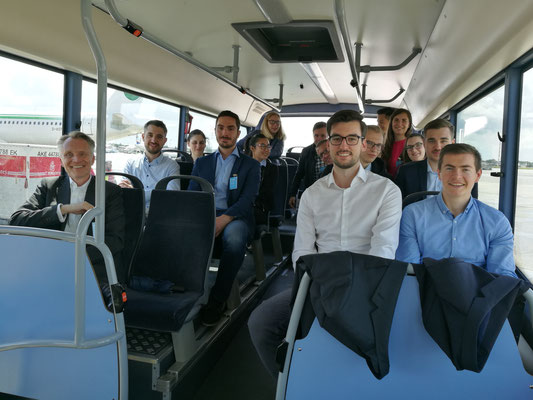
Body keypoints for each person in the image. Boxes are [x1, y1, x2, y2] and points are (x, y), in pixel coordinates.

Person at [248, 109, 402, 378]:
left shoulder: (387, 191)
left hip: (367, 285)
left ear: (362, 144)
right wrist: (317, 287)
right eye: (337, 139)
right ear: (328, 144)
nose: (344, 145)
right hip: (319, 281)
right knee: (261, 323)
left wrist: (350, 291)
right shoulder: (312, 194)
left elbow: (383, 251)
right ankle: (294, 386)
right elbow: (302, 252)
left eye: (352, 138)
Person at [9, 131, 126, 284]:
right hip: (48, 265)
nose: (76, 159)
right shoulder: (49, 186)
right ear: (61, 161)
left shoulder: (109, 192)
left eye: (82, 154)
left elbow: (115, 240)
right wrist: (63, 209)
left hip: (92, 267)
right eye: (69, 154)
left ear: (92, 159)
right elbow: (17, 220)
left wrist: (72, 258)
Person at [396, 143, 516, 277]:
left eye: (465, 169)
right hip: (425, 287)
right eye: (449, 168)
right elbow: (409, 271)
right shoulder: (412, 215)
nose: (457, 176)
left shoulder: (497, 222)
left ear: (477, 175)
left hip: (479, 289)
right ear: (439, 173)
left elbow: (502, 277)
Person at [189, 110, 260, 325]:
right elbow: (192, 195)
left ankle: (217, 299)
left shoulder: (250, 165)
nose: (225, 133)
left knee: (235, 239)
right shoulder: (202, 163)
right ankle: (186, 292)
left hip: (237, 216)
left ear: (238, 133)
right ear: (215, 131)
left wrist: (224, 219)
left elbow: (247, 200)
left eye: (230, 128)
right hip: (206, 214)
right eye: (220, 128)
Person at [395, 118, 475, 201]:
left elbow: (472, 206)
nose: (437, 147)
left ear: (452, 143)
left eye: (443, 141)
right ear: (424, 143)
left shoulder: (468, 175)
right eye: (431, 141)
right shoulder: (406, 172)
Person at [120, 120, 180, 212]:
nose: (153, 140)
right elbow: (124, 193)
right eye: (150, 135)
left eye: (159, 137)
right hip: (132, 213)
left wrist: (135, 193)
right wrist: (158, 193)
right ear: (143, 137)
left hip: (160, 215)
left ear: (164, 141)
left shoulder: (172, 166)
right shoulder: (130, 164)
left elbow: (172, 196)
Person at [320, 125, 391, 179]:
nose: (374, 149)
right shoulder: (330, 171)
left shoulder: (386, 178)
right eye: (369, 143)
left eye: (378, 145)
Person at [288, 121, 328, 208]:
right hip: (311, 191)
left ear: (328, 136)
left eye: (323, 136)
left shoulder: (334, 151)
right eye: (316, 135)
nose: (319, 139)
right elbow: (299, 174)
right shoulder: (306, 151)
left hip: (329, 192)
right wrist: (293, 194)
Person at [245, 131, 278, 225]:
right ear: (252, 148)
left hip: (260, 208)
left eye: (268, 146)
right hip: (243, 205)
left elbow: (267, 193)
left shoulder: (272, 169)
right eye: (262, 146)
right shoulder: (243, 166)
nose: (266, 149)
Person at [381, 108, 413, 177]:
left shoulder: (412, 145)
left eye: (404, 120)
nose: (399, 124)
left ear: (409, 125)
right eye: (396, 120)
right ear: (391, 123)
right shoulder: (384, 144)